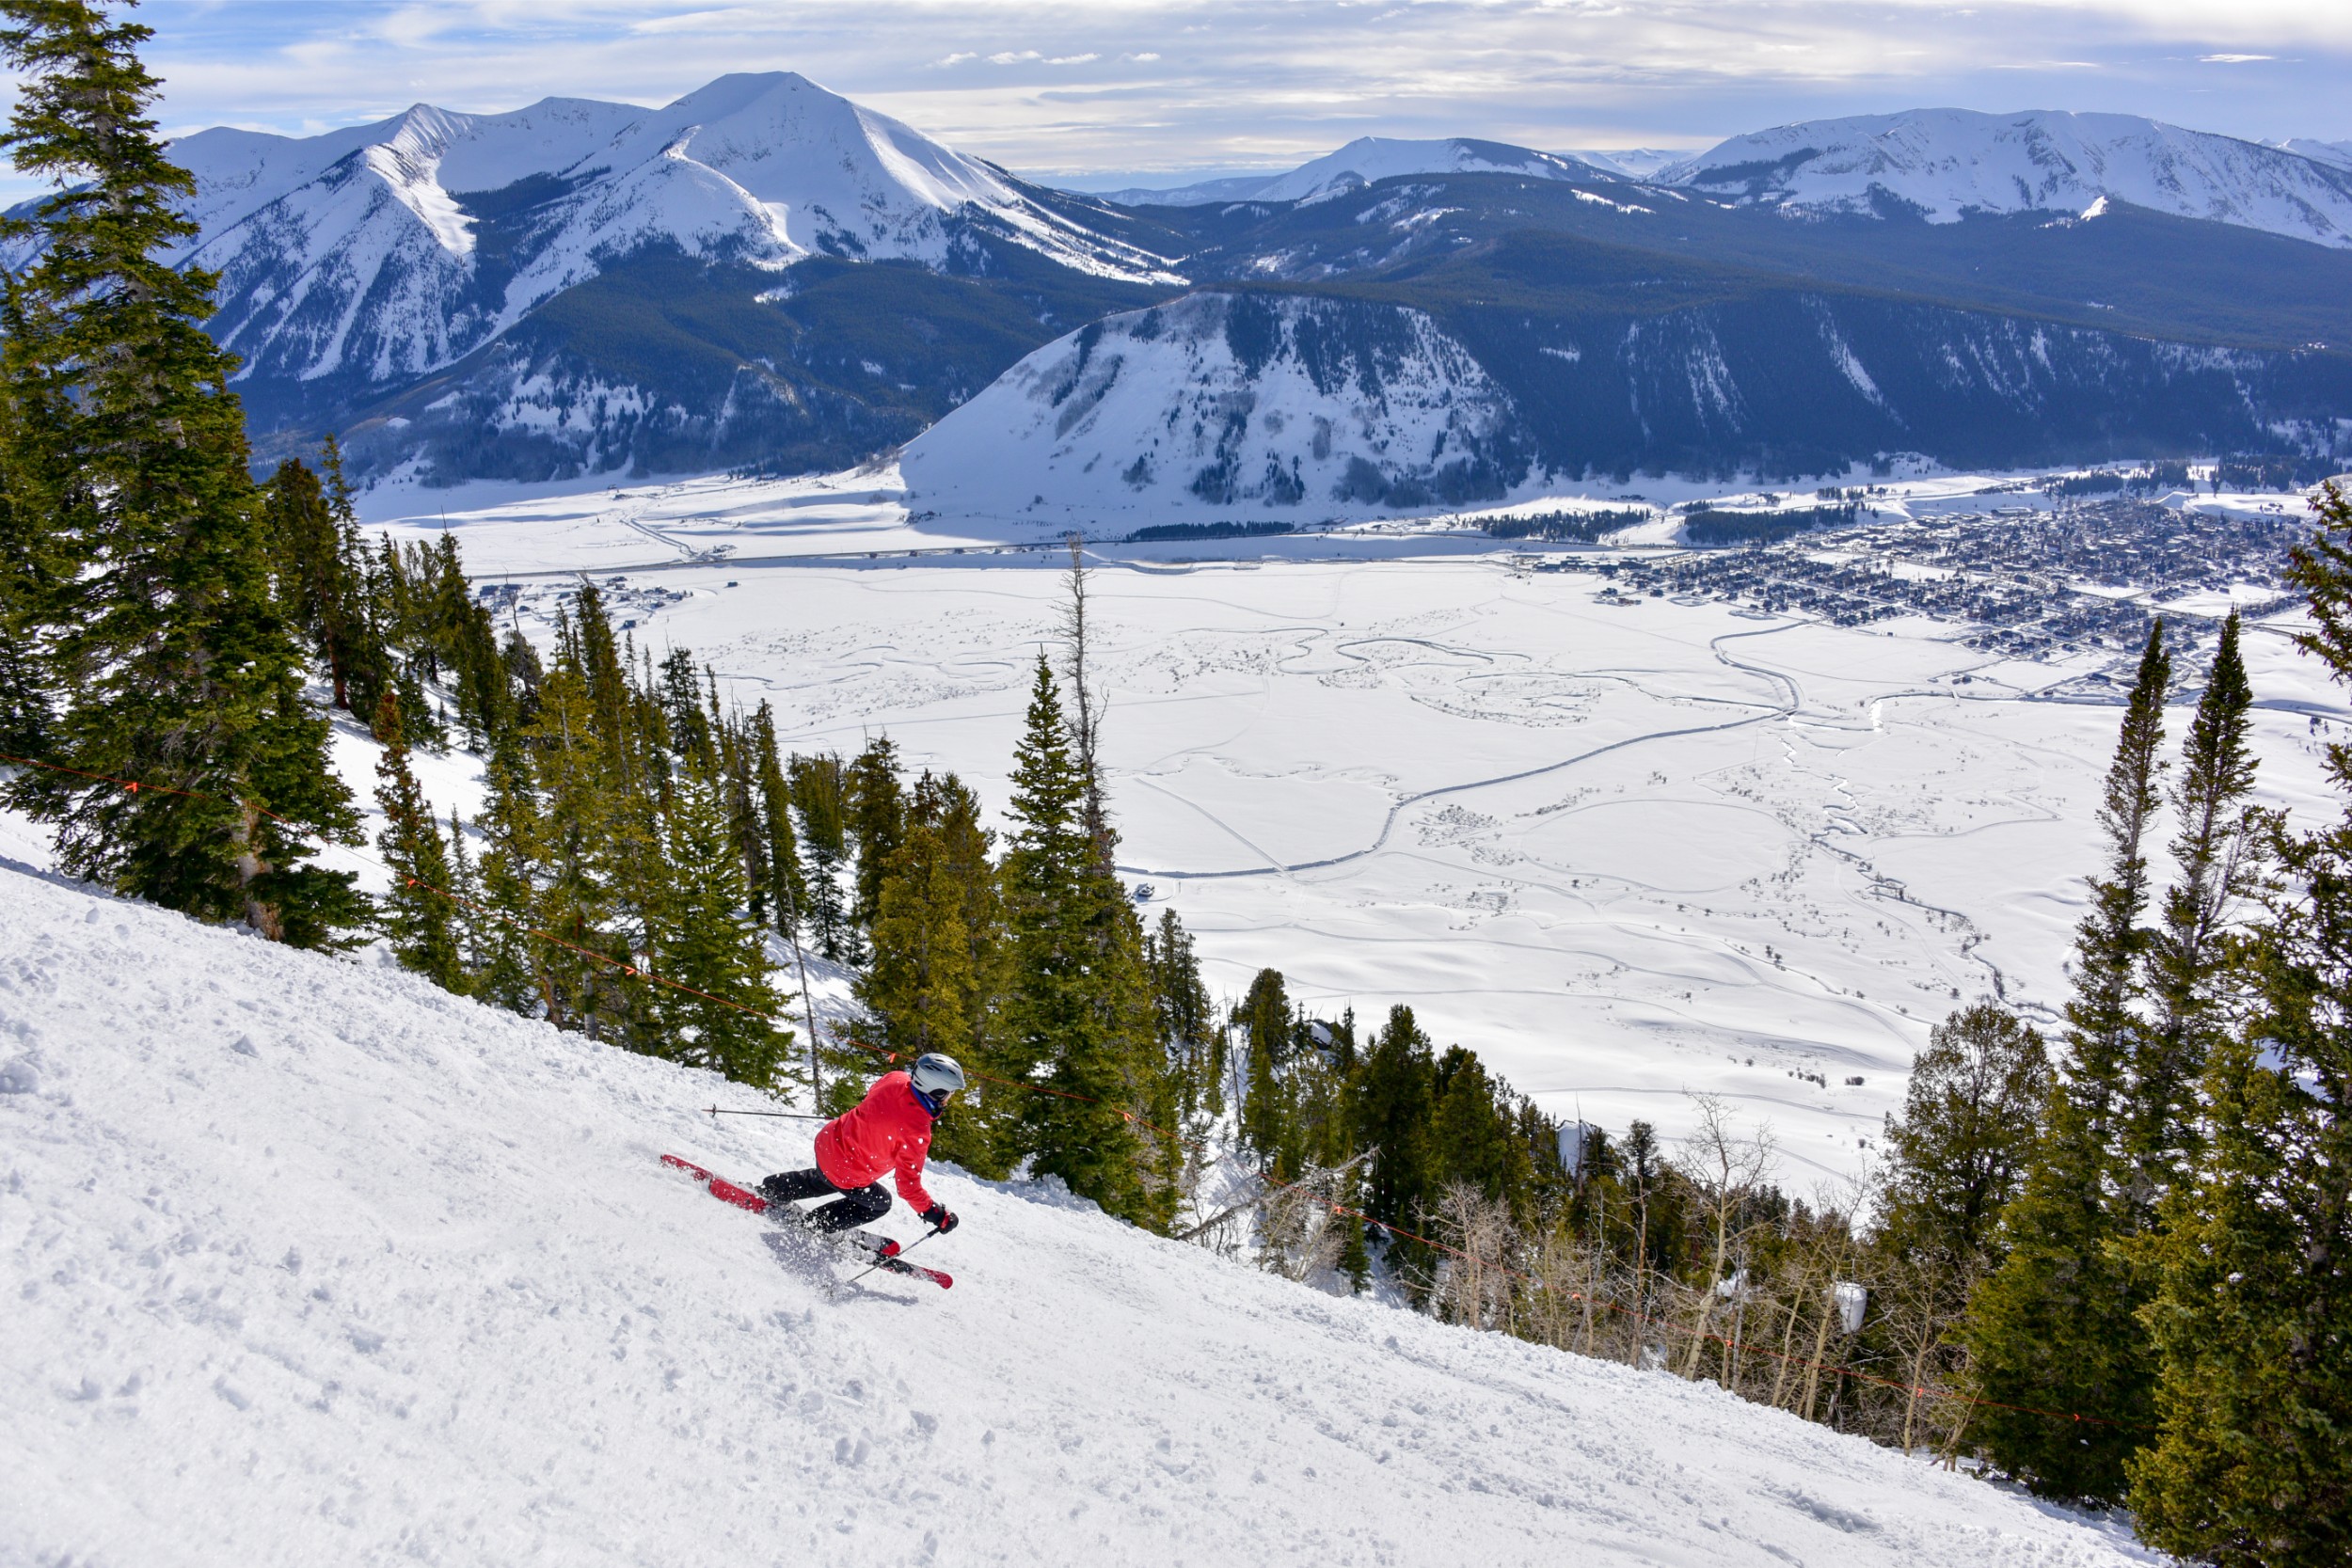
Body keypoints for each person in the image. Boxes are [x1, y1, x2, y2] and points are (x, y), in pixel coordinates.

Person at [759, 1053, 965, 1236]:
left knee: (826, 1176)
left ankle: (773, 1189)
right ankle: (815, 1225)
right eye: (949, 1092)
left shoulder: (895, 1078)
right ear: (936, 1091)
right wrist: (935, 1214)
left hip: (828, 1142)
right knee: (879, 1203)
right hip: (848, 1170)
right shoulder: (917, 1129)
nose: (949, 1098)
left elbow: (875, 1095)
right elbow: (907, 1186)